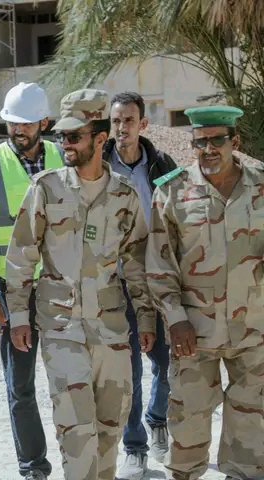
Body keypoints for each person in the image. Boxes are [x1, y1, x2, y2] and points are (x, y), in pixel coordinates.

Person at [3, 89, 156, 480]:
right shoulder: (46, 188)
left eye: (74, 136)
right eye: (62, 137)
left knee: (109, 430)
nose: (65, 144)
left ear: (100, 137)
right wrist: (18, 316)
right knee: (76, 434)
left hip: (111, 329)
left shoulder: (123, 195)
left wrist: (147, 318)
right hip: (61, 329)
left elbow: (137, 262)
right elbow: (21, 256)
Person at [146, 106, 264, 480]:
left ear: (235, 142)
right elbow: (159, 264)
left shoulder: (262, 185)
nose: (208, 149)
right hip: (194, 332)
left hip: (255, 329)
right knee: (188, 422)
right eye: (200, 141)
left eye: (217, 140)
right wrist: (175, 318)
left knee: (252, 423)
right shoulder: (172, 191)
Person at [0, 81, 63, 479]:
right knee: (20, 383)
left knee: (69, 377)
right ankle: (33, 466)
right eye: (12, 123)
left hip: (59, 287)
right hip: (12, 290)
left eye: (26, 124)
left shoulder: (62, 156)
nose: (18, 130)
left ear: (44, 123)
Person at [103, 92, 178, 479]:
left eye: (129, 120)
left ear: (143, 124)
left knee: (168, 362)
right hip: (117, 284)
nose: (122, 128)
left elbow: (180, 216)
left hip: (158, 279)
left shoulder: (163, 165)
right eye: (116, 121)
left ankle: (157, 418)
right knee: (128, 370)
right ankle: (135, 446)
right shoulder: (98, 165)